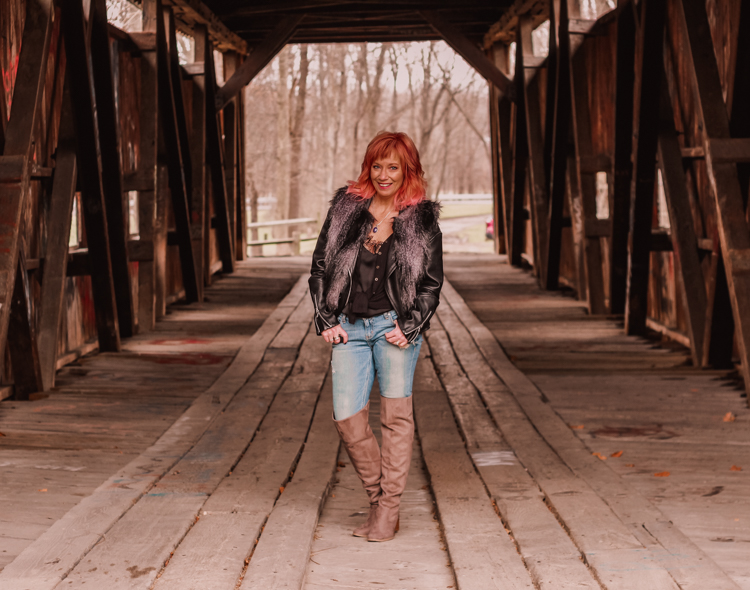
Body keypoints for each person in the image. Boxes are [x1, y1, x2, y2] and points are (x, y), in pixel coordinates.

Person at [309, 131, 443, 542]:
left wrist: (410, 326)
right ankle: (378, 499)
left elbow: (431, 284)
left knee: (395, 419)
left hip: (393, 329)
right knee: (347, 417)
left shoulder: (421, 221)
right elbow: (319, 267)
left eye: (393, 167)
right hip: (348, 329)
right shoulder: (346, 211)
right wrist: (325, 318)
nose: (384, 175)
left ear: (408, 172)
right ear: (369, 167)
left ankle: (388, 510)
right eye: (377, 166)